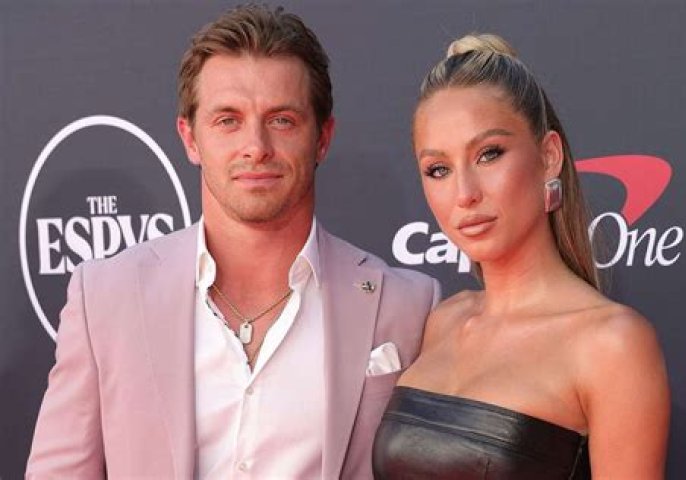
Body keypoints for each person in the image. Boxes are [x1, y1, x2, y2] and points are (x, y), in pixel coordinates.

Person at [26, 5, 439, 479]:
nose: (256, 147)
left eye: (282, 120)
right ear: (190, 139)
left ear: (323, 138)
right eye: (228, 120)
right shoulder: (105, 297)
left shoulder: (405, 305)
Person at [372, 33, 670, 479]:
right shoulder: (444, 321)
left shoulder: (612, 344)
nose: (465, 194)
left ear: (549, 156)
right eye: (438, 169)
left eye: (489, 154)